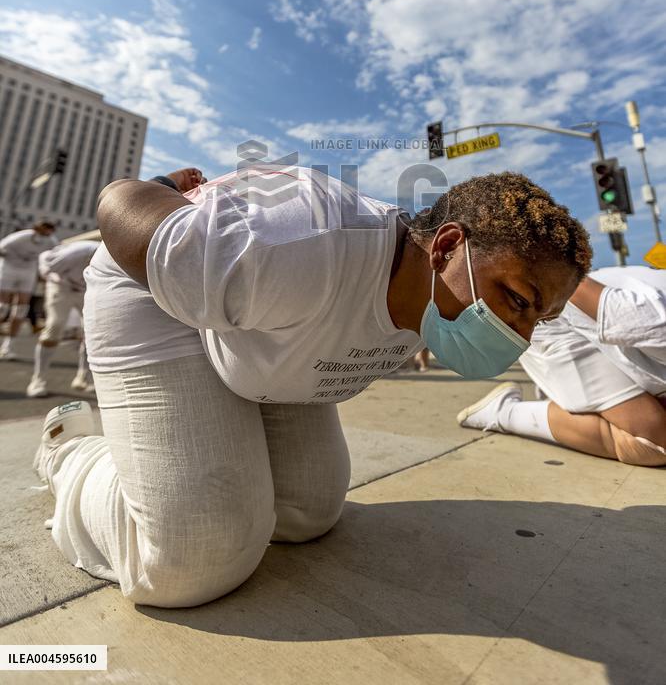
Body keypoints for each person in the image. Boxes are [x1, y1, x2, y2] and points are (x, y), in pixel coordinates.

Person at [33, 167, 590, 609]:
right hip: (158, 294)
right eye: (516, 299)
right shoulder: (288, 247)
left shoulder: (428, 300)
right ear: (444, 248)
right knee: (195, 557)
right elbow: (118, 200)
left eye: (537, 319)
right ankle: (69, 448)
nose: (517, 334)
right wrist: (154, 189)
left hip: (260, 331)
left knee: (308, 512)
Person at [457, 265, 666, 466]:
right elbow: (571, 287)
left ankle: (565, 398)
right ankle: (504, 412)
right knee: (653, 441)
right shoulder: (654, 319)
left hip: (597, 334)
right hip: (555, 323)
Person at [26, 239, 100, 397]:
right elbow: (46, 259)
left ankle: (83, 378)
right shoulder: (79, 250)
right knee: (55, 326)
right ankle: (38, 380)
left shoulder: (115, 256)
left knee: (93, 331)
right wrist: (52, 277)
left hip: (85, 290)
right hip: (61, 287)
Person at [0, 221, 57, 360]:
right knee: (2, 307)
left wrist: (44, 274)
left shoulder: (50, 241)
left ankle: (8, 347)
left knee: (21, 309)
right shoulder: (21, 237)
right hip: (9, 269)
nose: (46, 234)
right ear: (39, 228)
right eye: (45, 230)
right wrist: (12, 257)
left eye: (50, 232)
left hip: (28, 271)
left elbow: (55, 255)